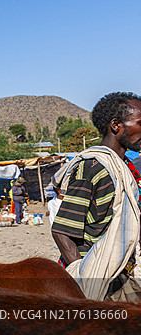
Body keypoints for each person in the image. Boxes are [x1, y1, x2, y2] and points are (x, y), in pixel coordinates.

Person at [52, 91, 141, 302]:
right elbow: (62, 231)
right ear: (116, 125)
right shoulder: (93, 167)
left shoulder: (125, 167)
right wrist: (85, 279)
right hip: (97, 282)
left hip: (120, 274)